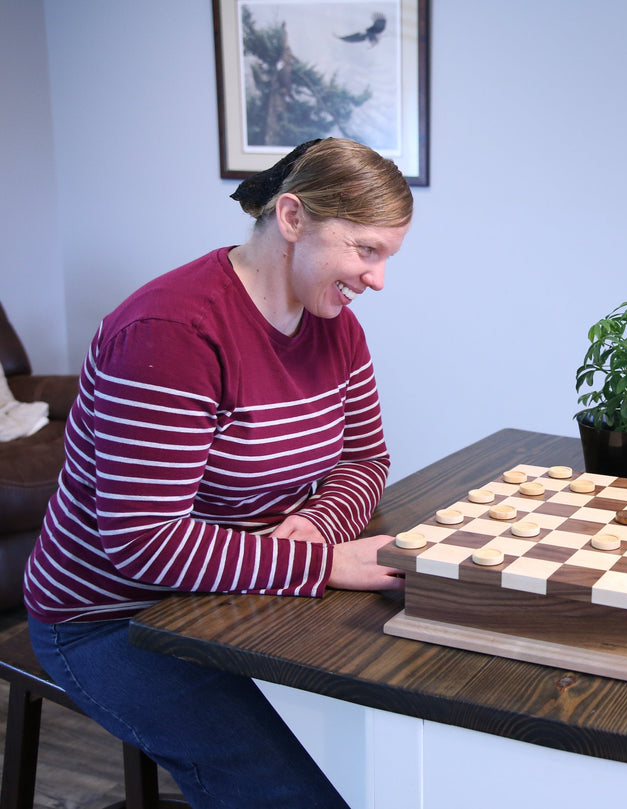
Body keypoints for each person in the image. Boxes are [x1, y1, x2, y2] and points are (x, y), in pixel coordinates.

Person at [23, 137, 413, 809]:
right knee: (299, 792)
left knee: (378, 738)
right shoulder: (170, 331)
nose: (377, 279)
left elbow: (365, 458)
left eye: (386, 257)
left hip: (237, 594)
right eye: (366, 250)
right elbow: (142, 540)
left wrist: (316, 526)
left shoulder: (334, 323)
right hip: (111, 617)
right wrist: (320, 565)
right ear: (291, 218)